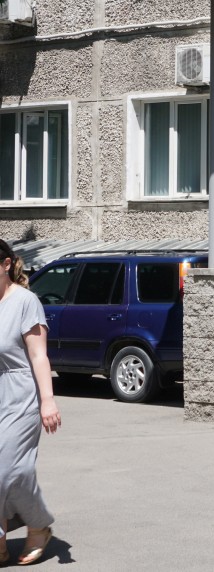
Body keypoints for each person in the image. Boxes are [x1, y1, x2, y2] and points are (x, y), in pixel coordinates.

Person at [0, 239, 61, 566]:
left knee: (9, 469)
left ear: (6, 265)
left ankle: (37, 523)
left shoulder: (25, 301)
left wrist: (47, 401)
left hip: (21, 391)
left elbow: (38, 355)